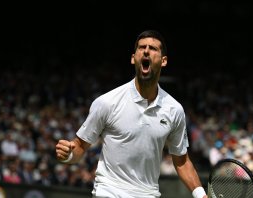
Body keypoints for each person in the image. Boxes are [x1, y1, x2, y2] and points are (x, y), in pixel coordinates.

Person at [55, 30, 207, 198]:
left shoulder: (174, 110)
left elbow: (182, 161)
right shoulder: (107, 102)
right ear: (133, 58)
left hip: (147, 194)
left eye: (153, 48)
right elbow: (80, 146)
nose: (147, 51)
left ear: (163, 61)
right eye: (142, 47)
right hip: (109, 191)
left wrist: (201, 194)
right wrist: (68, 155)